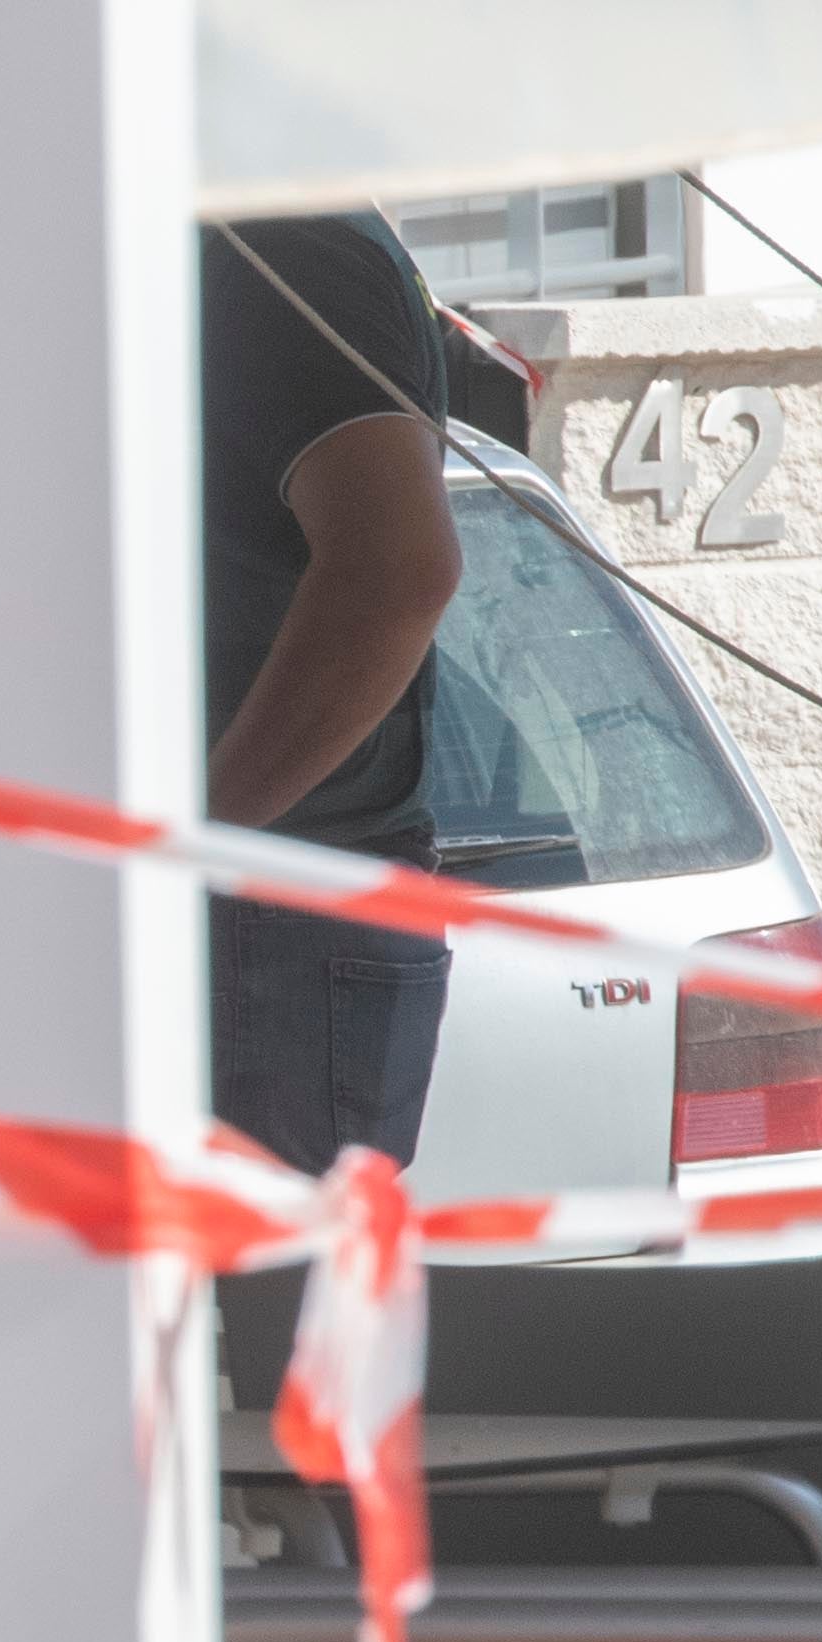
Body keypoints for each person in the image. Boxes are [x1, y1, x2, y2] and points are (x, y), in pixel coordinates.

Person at [200, 210, 472, 1179]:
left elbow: (397, 568)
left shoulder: (276, 239)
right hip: (268, 912)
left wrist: (188, 834)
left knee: (249, 1324)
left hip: (272, 918)